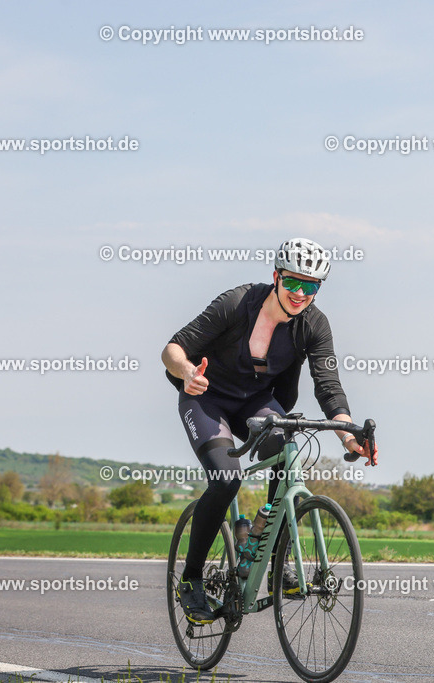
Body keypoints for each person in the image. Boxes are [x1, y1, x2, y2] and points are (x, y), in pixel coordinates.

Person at [162, 237, 378, 624]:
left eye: (311, 286)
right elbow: (173, 349)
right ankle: (191, 579)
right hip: (207, 398)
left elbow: (329, 388)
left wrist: (349, 436)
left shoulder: (314, 324)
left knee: (287, 450)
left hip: (256, 403)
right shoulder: (236, 303)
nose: (300, 294)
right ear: (276, 277)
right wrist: (187, 372)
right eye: (292, 282)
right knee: (227, 479)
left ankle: (278, 560)